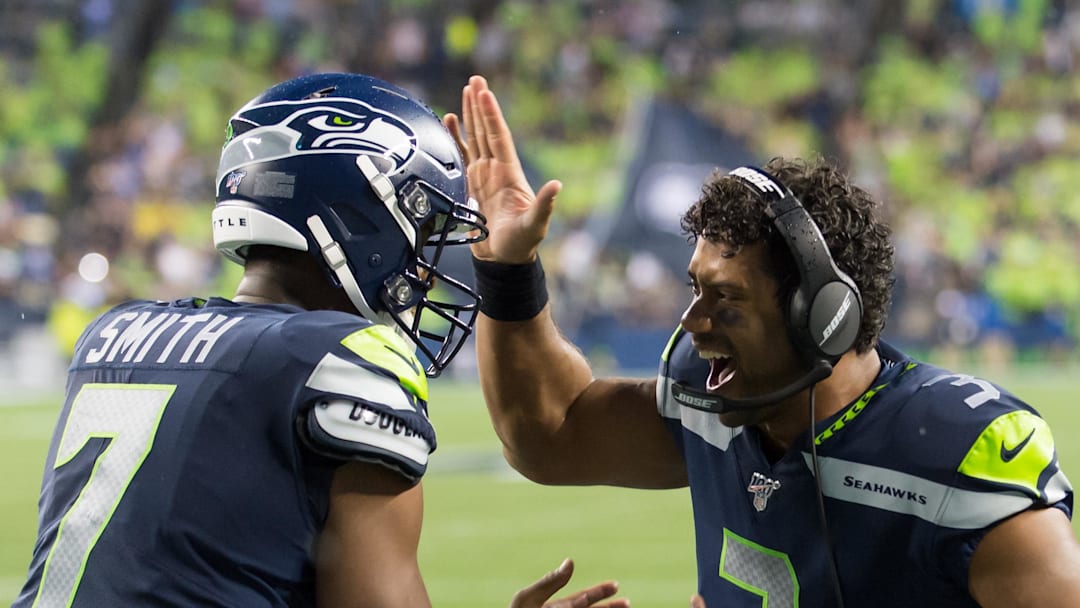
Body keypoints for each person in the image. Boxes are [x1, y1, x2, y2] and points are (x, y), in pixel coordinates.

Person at [446, 74, 1080, 607]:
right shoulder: (713, 400)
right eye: (695, 289)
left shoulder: (958, 458)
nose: (694, 323)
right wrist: (507, 272)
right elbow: (550, 434)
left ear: (823, 315)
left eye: (726, 299)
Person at [14, 72, 629, 608]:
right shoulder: (345, 363)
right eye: (418, 223)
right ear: (358, 211)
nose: (420, 265)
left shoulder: (114, 334)